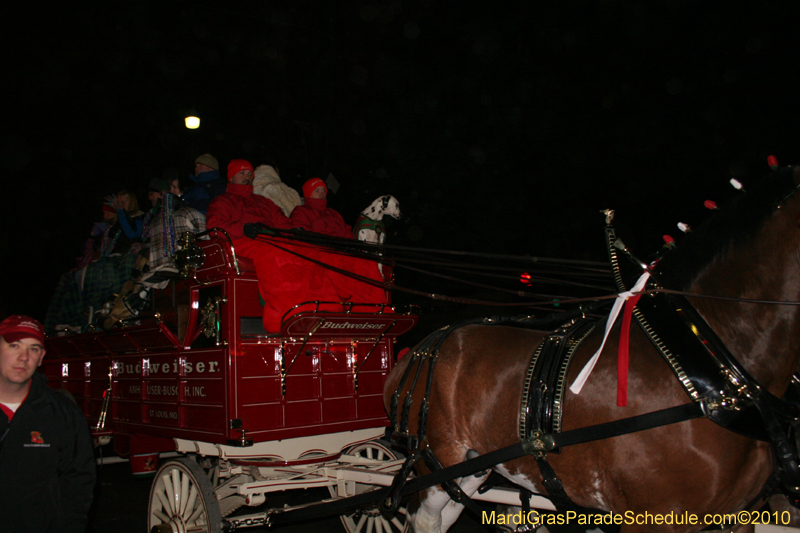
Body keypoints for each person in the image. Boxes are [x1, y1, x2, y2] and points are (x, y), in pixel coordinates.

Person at [0, 315, 95, 531]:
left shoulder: (61, 413)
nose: (23, 357)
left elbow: (79, 482)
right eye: (14, 345)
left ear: (42, 357)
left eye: (33, 349)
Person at [206, 159, 291, 239]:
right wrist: (242, 229)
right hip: (242, 243)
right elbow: (215, 226)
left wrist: (294, 230)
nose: (247, 177)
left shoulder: (264, 201)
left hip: (270, 241)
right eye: (242, 173)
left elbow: (282, 221)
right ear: (231, 178)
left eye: (250, 174)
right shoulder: (222, 201)